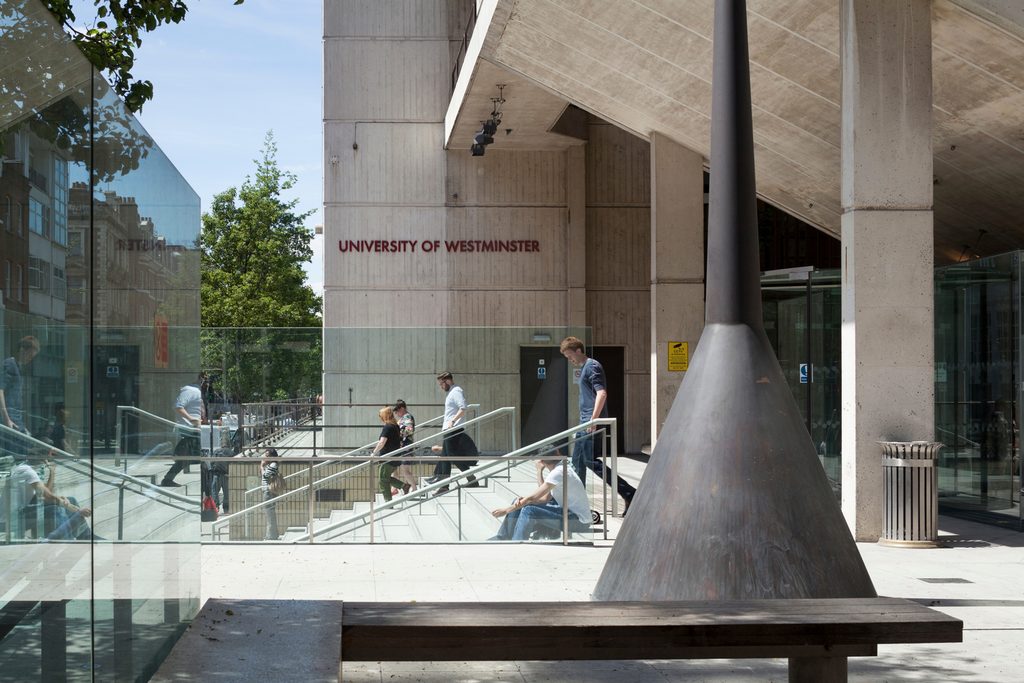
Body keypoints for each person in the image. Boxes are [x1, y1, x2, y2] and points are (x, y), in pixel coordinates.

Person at [559, 336, 636, 514]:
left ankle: (629, 493)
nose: (570, 360)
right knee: (577, 462)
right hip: (585, 423)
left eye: (570, 356)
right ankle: (577, 506)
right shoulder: (585, 368)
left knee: (589, 461)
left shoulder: (592, 366)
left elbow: (601, 393)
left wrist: (593, 419)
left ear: (578, 351)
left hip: (591, 423)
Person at [5, 442, 96, 540]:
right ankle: (67, 539)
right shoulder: (27, 471)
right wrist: (77, 510)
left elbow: (45, 492)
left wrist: (52, 472)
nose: (51, 457)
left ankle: (85, 536)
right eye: (51, 454)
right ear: (44, 455)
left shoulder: (31, 469)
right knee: (56, 509)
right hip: (13, 518)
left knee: (71, 499)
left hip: (23, 509)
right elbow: (47, 496)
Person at [489, 454, 590, 541]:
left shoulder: (558, 472)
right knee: (521, 502)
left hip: (579, 521)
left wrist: (506, 510)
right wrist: (539, 472)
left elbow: (533, 498)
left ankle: (517, 543)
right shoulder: (561, 468)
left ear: (541, 461)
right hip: (568, 513)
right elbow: (545, 498)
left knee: (529, 510)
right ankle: (503, 538)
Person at [427, 372, 479, 495]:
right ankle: (443, 481)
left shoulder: (456, 391)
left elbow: (463, 407)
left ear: (448, 381)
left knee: (450, 455)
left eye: (441, 384)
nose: (441, 386)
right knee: (446, 456)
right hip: (449, 429)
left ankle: (448, 484)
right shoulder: (452, 392)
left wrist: (453, 421)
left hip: (454, 429)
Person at [161, 372, 207, 488]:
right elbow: (178, 406)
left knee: (187, 457)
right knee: (196, 456)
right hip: (189, 429)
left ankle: (168, 478)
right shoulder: (190, 390)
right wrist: (192, 419)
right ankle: (168, 478)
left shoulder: (196, 391)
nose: (206, 382)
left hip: (194, 430)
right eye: (204, 379)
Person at [1, 335, 40, 436]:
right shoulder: (10, 365)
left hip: (15, 418)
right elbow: (0, 390)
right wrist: (6, 419)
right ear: (22, 350)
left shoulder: (17, 367)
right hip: (10, 418)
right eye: (30, 356)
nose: (30, 359)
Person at [371, 406, 404, 502]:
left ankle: (388, 501)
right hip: (395, 457)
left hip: (387, 458)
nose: (380, 418)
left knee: (383, 480)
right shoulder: (395, 426)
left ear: (384, 416)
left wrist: (374, 453)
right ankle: (404, 486)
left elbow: (382, 442)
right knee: (385, 478)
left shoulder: (388, 427)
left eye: (381, 416)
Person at [392, 399, 418, 494]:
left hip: (406, 447)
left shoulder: (407, 417)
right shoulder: (403, 418)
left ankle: (414, 488)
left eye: (397, 411)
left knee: (404, 469)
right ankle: (395, 488)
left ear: (402, 408)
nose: (397, 413)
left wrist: (399, 434)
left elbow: (409, 430)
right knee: (395, 468)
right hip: (402, 447)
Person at [261, 448, 281, 540]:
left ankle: (271, 536)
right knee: (270, 514)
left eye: (267, 455)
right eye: (265, 455)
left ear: (272, 456)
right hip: (268, 491)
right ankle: (273, 534)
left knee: (269, 514)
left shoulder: (273, 464)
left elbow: (265, 475)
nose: (265, 457)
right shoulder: (271, 464)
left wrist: (262, 466)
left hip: (269, 492)